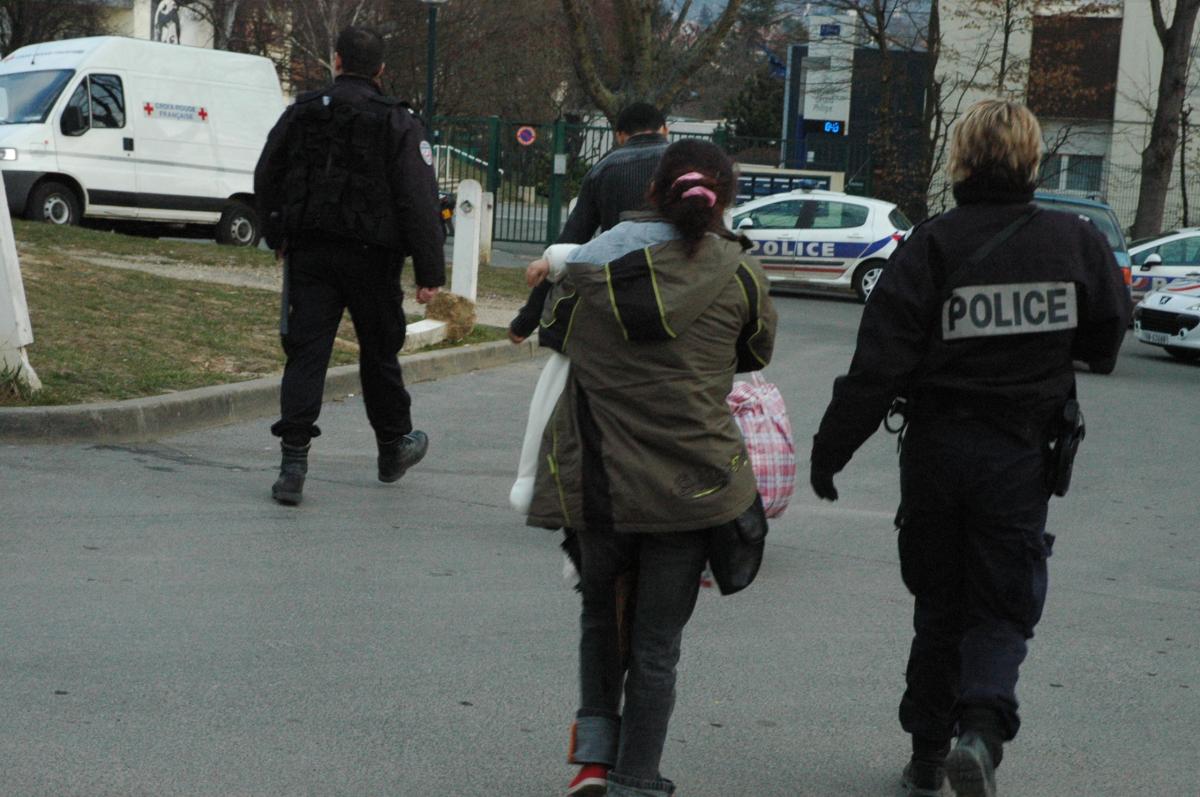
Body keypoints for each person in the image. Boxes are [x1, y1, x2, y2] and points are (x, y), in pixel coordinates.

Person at [809, 100, 1129, 797]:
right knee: (1003, 601)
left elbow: (879, 365)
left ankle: (927, 753)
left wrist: (830, 451)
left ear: (962, 160)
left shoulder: (932, 244)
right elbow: (1105, 340)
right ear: (1033, 161)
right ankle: (980, 732)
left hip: (936, 450)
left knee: (941, 603)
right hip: (1020, 452)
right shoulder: (1075, 242)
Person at [523, 139, 777, 797]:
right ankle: (637, 778)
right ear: (721, 196)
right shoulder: (739, 272)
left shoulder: (593, 260)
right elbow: (755, 351)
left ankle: (593, 765)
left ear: (655, 188)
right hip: (692, 484)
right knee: (658, 645)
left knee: (600, 625)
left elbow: (557, 335)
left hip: (601, 480)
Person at [254, 26, 445, 506]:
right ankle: (392, 447)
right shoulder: (398, 122)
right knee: (379, 353)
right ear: (381, 70)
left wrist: (277, 234)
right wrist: (429, 273)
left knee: (307, 353)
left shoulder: (301, 112)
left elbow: (267, 174)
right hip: (373, 259)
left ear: (336, 60)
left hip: (311, 254)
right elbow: (418, 198)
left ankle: (292, 466)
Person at [507, 102, 669, 347]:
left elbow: (571, 240)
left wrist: (527, 319)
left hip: (618, 291)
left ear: (620, 136)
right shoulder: (685, 166)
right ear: (665, 130)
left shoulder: (603, 170)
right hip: (676, 288)